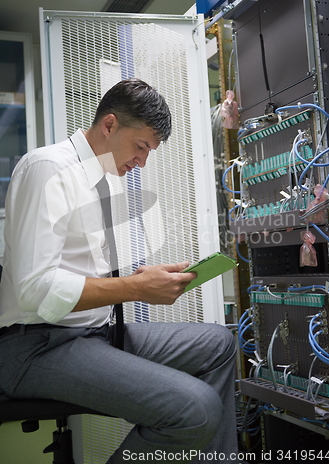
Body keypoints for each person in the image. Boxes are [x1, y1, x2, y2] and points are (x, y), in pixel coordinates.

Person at [0, 78, 238, 463]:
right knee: (197, 409)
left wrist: (138, 279)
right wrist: (135, 288)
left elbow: (78, 271)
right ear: (109, 125)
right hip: (34, 345)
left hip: (90, 333)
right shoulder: (49, 168)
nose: (142, 161)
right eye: (141, 146)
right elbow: (35, 290)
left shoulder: (97, 181)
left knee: (218, 344)